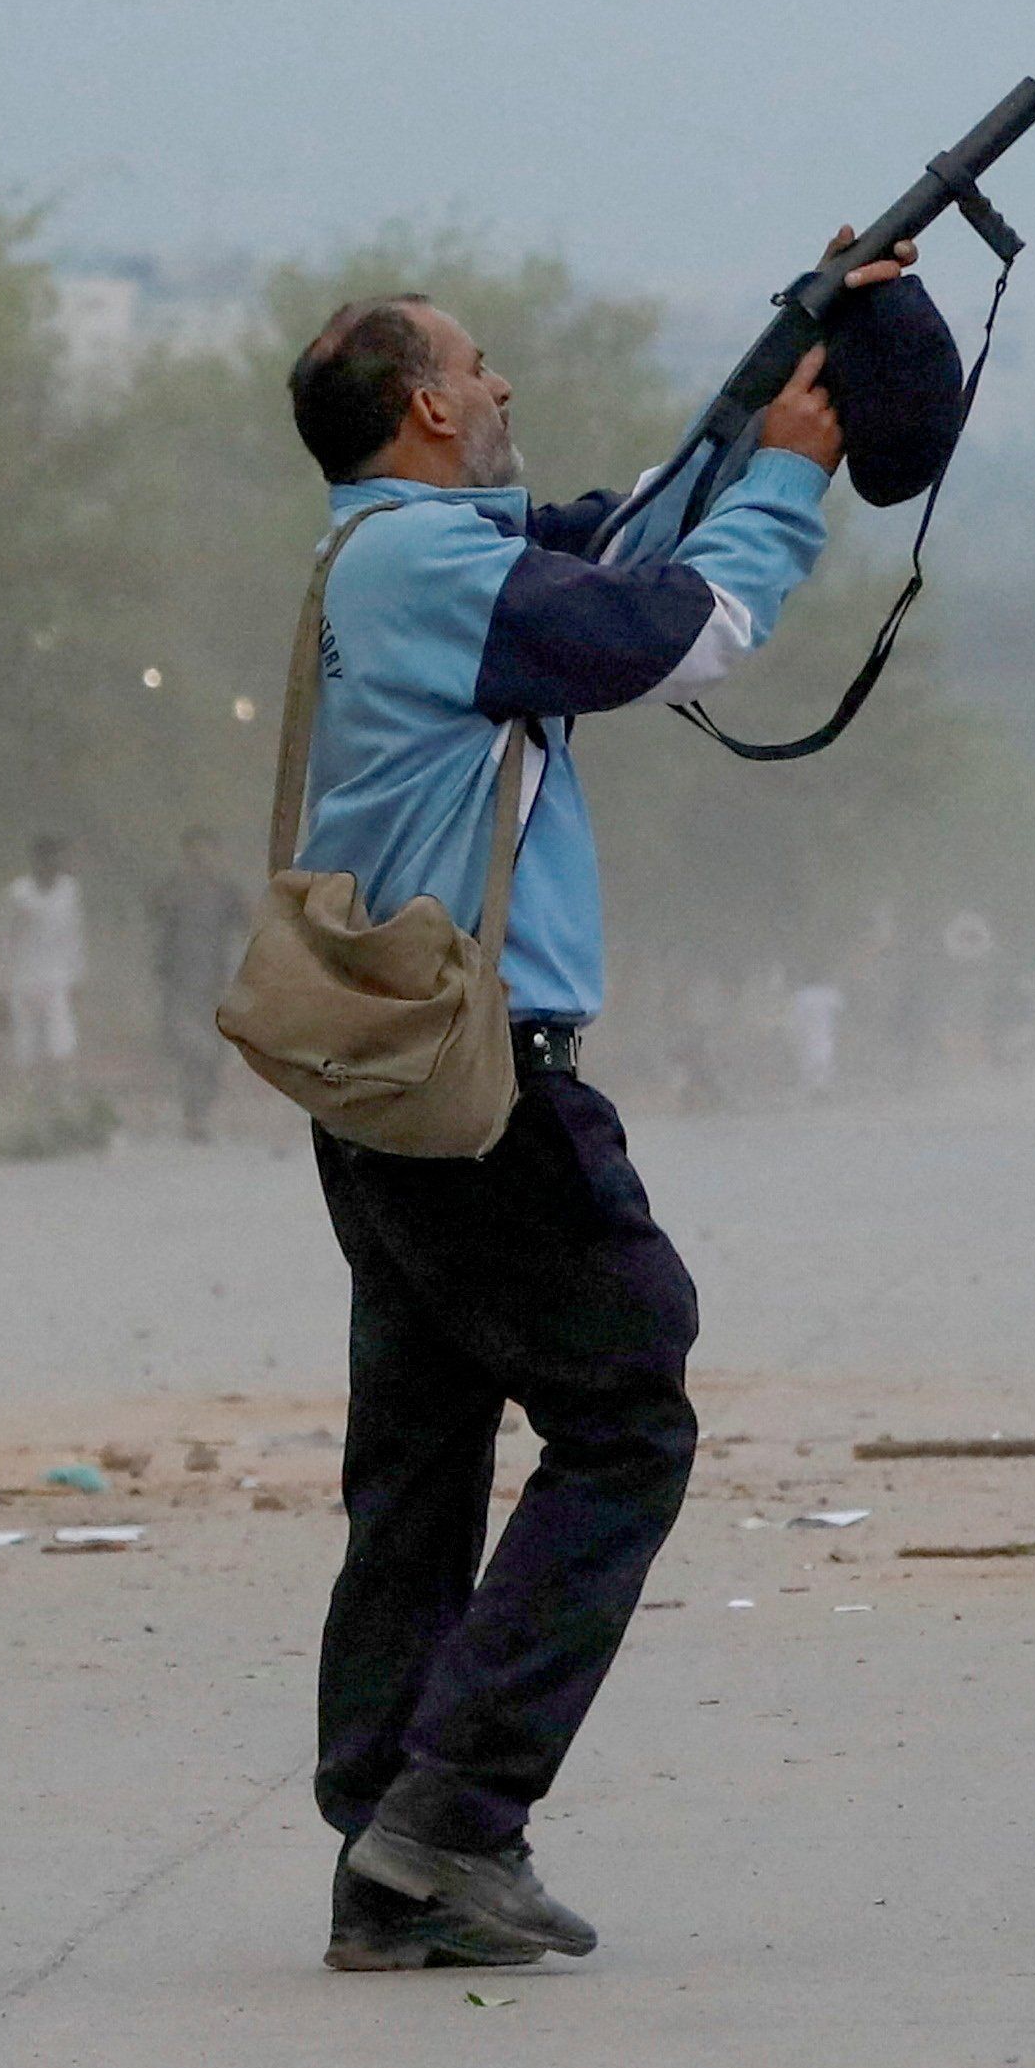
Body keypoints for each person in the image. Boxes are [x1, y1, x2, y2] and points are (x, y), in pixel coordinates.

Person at [277, 243, 959, 1976]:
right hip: (485, 1074)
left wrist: (769, 384)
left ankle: (387, 1834)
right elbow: (676, 630)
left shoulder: (404, 554)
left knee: (421, 1455)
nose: (505, 386)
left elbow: (623, 535)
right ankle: (453, 1816)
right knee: (628, 1405)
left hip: (388, 1079)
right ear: (427, 403)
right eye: (483, 366)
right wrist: (797, 479)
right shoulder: (439, 563)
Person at [156, 830, 244, 1129]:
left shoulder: (225, 892)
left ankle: (202, 1108)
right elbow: (155, 919)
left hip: (215, 983)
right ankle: (193, 1113)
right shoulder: (172, 890)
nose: (199, 858)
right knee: (187, 1047)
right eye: (194, 853)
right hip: (180, 982)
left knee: (213, 1050)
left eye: (205, 851)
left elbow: (247, 924)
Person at [0, 834, 88, 1072]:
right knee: (25, 1048)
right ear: (36, 860)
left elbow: (74, 936)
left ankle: (62, 1100)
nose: (52, 865)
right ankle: (28, 1099)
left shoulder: (69, 891)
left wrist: (78, 977)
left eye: (57, 859)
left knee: (62, 1046)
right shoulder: (18, 893)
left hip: (57, 980)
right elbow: (4, 941)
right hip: (23, 980)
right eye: (47, 859)